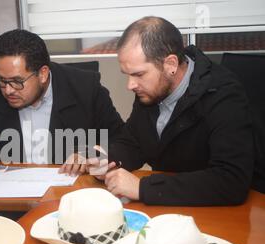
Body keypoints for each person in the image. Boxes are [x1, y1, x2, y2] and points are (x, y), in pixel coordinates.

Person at [88, 16, 254, 206]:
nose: (130, 85)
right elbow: (134, 142)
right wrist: (109, 159)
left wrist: (143, 188)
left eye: (139, 74)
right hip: (168, 207)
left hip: (218, 214)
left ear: (171, 65)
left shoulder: (223, 94)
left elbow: (231, 181)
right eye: (127, 75)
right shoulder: (151, 90)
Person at [0, 29, 126, 176]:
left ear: (43, 74)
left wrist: (91, 153)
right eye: (2, 79)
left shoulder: (86, 89)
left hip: (69, 191)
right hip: (9, 193)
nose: (8, 90)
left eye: (17, 81)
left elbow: (122, 141)